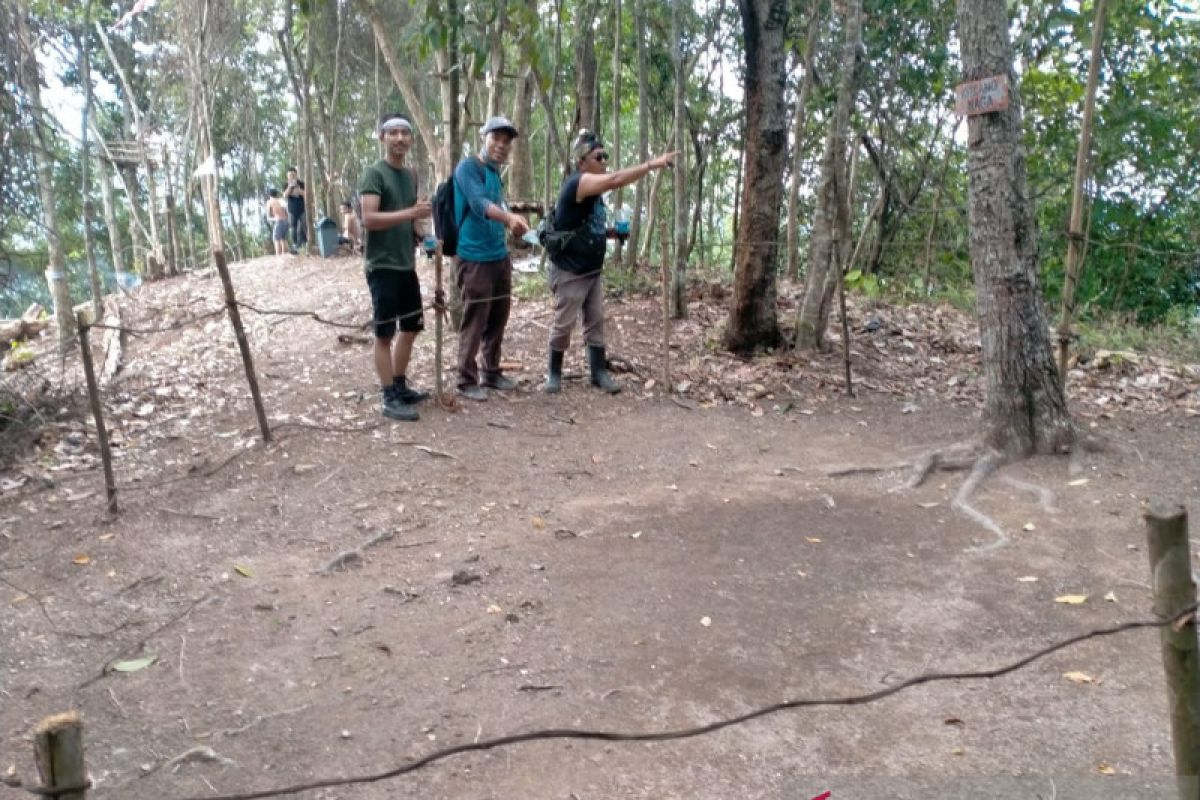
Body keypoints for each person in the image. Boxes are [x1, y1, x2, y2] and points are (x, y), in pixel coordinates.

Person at [543, 130, 677, 394]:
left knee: (595, 319)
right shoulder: (577, 183)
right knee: (564, 322)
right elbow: (616, 180)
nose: (604, 161)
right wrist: (652, 164)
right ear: (582, 162)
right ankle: (553, 373)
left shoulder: (593, 192)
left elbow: (582, 225)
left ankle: (598, 372)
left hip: (592, 270)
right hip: (570, 270)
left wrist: (611, 233)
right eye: (598, 156)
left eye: (606, 156)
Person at [359, 114, 433, 421]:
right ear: (382, 137)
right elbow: (369, 219)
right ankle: (388, 395)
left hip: (406, 264)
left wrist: (425, 236)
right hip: (382, 266)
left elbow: (410, 219)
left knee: (412, 327)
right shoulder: (373, 174)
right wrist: (409, 213)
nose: (400, 138)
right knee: (385, 333)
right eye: (393, 133)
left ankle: (400, 384)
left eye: (405, 133)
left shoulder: (410, 175)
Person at [452, 115, 531, 402]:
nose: (501, 145)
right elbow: (479, 204)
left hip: (498, 255)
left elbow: (497, 204)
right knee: (476, 317)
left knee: (498, 317)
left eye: (506, 141)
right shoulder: (467, 168)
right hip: (473, 258)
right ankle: (464, 378)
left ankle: (491, 371)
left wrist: (515, 224)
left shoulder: (495, 173)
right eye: (495, 138)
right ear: (483, 138)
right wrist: (508, 217)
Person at [284, 167, 307, 251]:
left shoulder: (301, 183)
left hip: (302, 209)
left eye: (293, 175)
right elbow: (285, 196)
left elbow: (305, 194)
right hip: (291, 210)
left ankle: (304, 244)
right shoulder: (286, 184)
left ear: (296, 174)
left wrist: (298, 188)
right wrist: (290, 187)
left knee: (302, 228)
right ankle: (295, 245)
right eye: (289, 175)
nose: (291, 176)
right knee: (292, 228)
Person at [265, 189, 289, 256]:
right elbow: (287, 211)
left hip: (279, 221)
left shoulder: (269, 202)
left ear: (269, 195)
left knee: (276, 239)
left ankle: (278, 255)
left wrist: (274, 219)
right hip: (286, 221)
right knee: (283, 238)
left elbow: (268, 216)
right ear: (276, 194)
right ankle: (284, 254)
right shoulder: (281, 200)